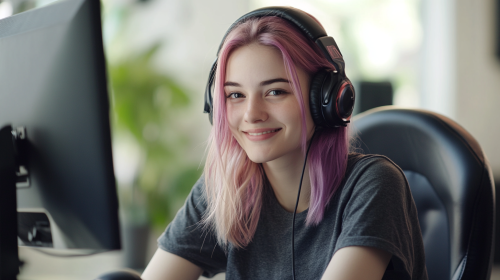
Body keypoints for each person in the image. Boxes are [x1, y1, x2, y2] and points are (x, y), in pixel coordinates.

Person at [142, 7, 428, 280]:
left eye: (275, 91)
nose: (252, 114)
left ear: (326, 99)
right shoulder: (227, 189)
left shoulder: (373, 185)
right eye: (235, 95)